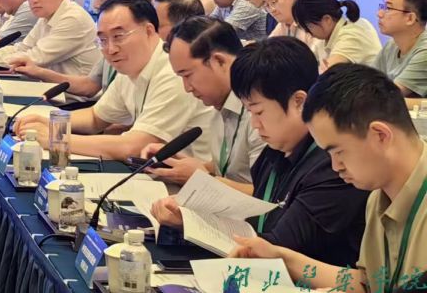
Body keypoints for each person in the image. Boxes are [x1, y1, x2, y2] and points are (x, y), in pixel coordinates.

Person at [233, 64, 427, 292]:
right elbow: (369, 283)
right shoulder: (378, 196)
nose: (335, 166)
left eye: (339, 152)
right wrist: (280, 257)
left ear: (380, 135)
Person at [215, 38, 366, 265]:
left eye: (258, 112)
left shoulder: (332, 165)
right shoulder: (274, 152)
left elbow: (280, 247)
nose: (255, 124)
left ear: (299, 102)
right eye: (249, 112)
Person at [14, 0, 216, 160]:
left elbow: (133, 146)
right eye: (103, 40)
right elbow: (95, 118)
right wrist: (48, 121)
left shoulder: (173, 72)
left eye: (118, 36)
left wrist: (55, 138)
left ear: (148, 31)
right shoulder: (130, 66)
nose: (110, 49)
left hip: (190, 183)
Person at [12, 0, 204, 99]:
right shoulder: (122, 57)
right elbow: (92, 93)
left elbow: (135, 138)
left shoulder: (171, 74)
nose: (95, 3)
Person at [143, 17, 265, 193]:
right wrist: (177, 162)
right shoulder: (219, 102)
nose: (187, 88)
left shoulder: (260, 109)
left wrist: (203, 179)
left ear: (219, 61)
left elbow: (266, 197)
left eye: (187, 75)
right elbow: (231, 169)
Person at [0, 0, 101, 80]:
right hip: (51, 88)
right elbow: (21, 48)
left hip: (73, 91)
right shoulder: (46, 16)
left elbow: (33, 58)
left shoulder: (73, 18)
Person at [293, 0, 380, 68]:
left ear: (327, 19)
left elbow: (329, 73)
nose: (307, 32)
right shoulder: (325, 36)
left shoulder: (353, 33)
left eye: (308, 26)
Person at [373, 0, 427, 97]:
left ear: (410, 18)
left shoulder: (425, 51)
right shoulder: (391, 45)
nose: (379, 13)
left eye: (388, 8)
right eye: (382, 6)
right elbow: (368, 82)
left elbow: (389, 95)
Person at [259, 0, 325, 64]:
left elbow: (314, 61)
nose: (271, 10)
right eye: (267, 5)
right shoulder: (283, 24)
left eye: (274, 2)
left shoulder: (312, 23)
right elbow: (266, 52)